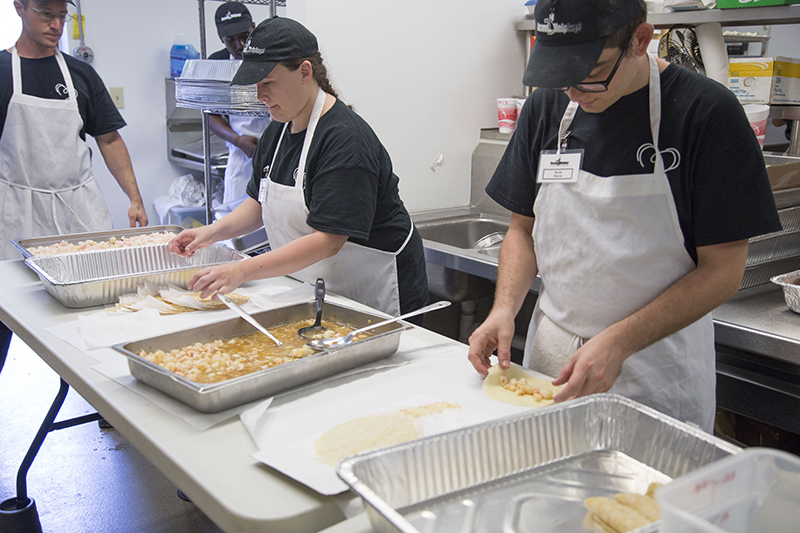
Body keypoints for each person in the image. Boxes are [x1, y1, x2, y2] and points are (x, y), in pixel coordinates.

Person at [467, 0, 781, 432]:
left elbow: (724, 270)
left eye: (591, 74)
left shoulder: (707, 115)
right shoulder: (546, 107)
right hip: (553, 356)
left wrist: (619, 341)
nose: (573, 92)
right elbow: (523, 229)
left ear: (640, 40)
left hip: (653, 364)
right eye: (561, 75)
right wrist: (504, 307)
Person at [170, 17, 428, 318]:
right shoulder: (280, 128)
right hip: (321, 284)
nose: (260, 95)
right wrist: (211, 233)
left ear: (305, 72)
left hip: (375, 290)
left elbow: (328, 239)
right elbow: (258, 202)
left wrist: (241, 271)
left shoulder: (346, 141)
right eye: (256, 84)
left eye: (268, 83)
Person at [0, 0, 148, 373]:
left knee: (98, 304)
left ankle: (104, 392)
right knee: (7, 307)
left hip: (78, 206)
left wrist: (134, 197)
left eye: (61, 16)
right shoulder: (1, 71)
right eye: (45, 14)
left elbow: (109, 140)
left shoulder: (80, 74)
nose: (55, 24)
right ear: (19, 7)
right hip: (16, 206)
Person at [207, 1, 270, 206]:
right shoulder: (217, 64)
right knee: (238, 222)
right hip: (241, 153)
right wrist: (237, 140)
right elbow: (211, 116)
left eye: (245, 36)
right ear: (221, 39)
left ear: (253, 27)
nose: (240, 45)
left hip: (275, 147)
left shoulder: (271, 57)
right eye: (231, 40)